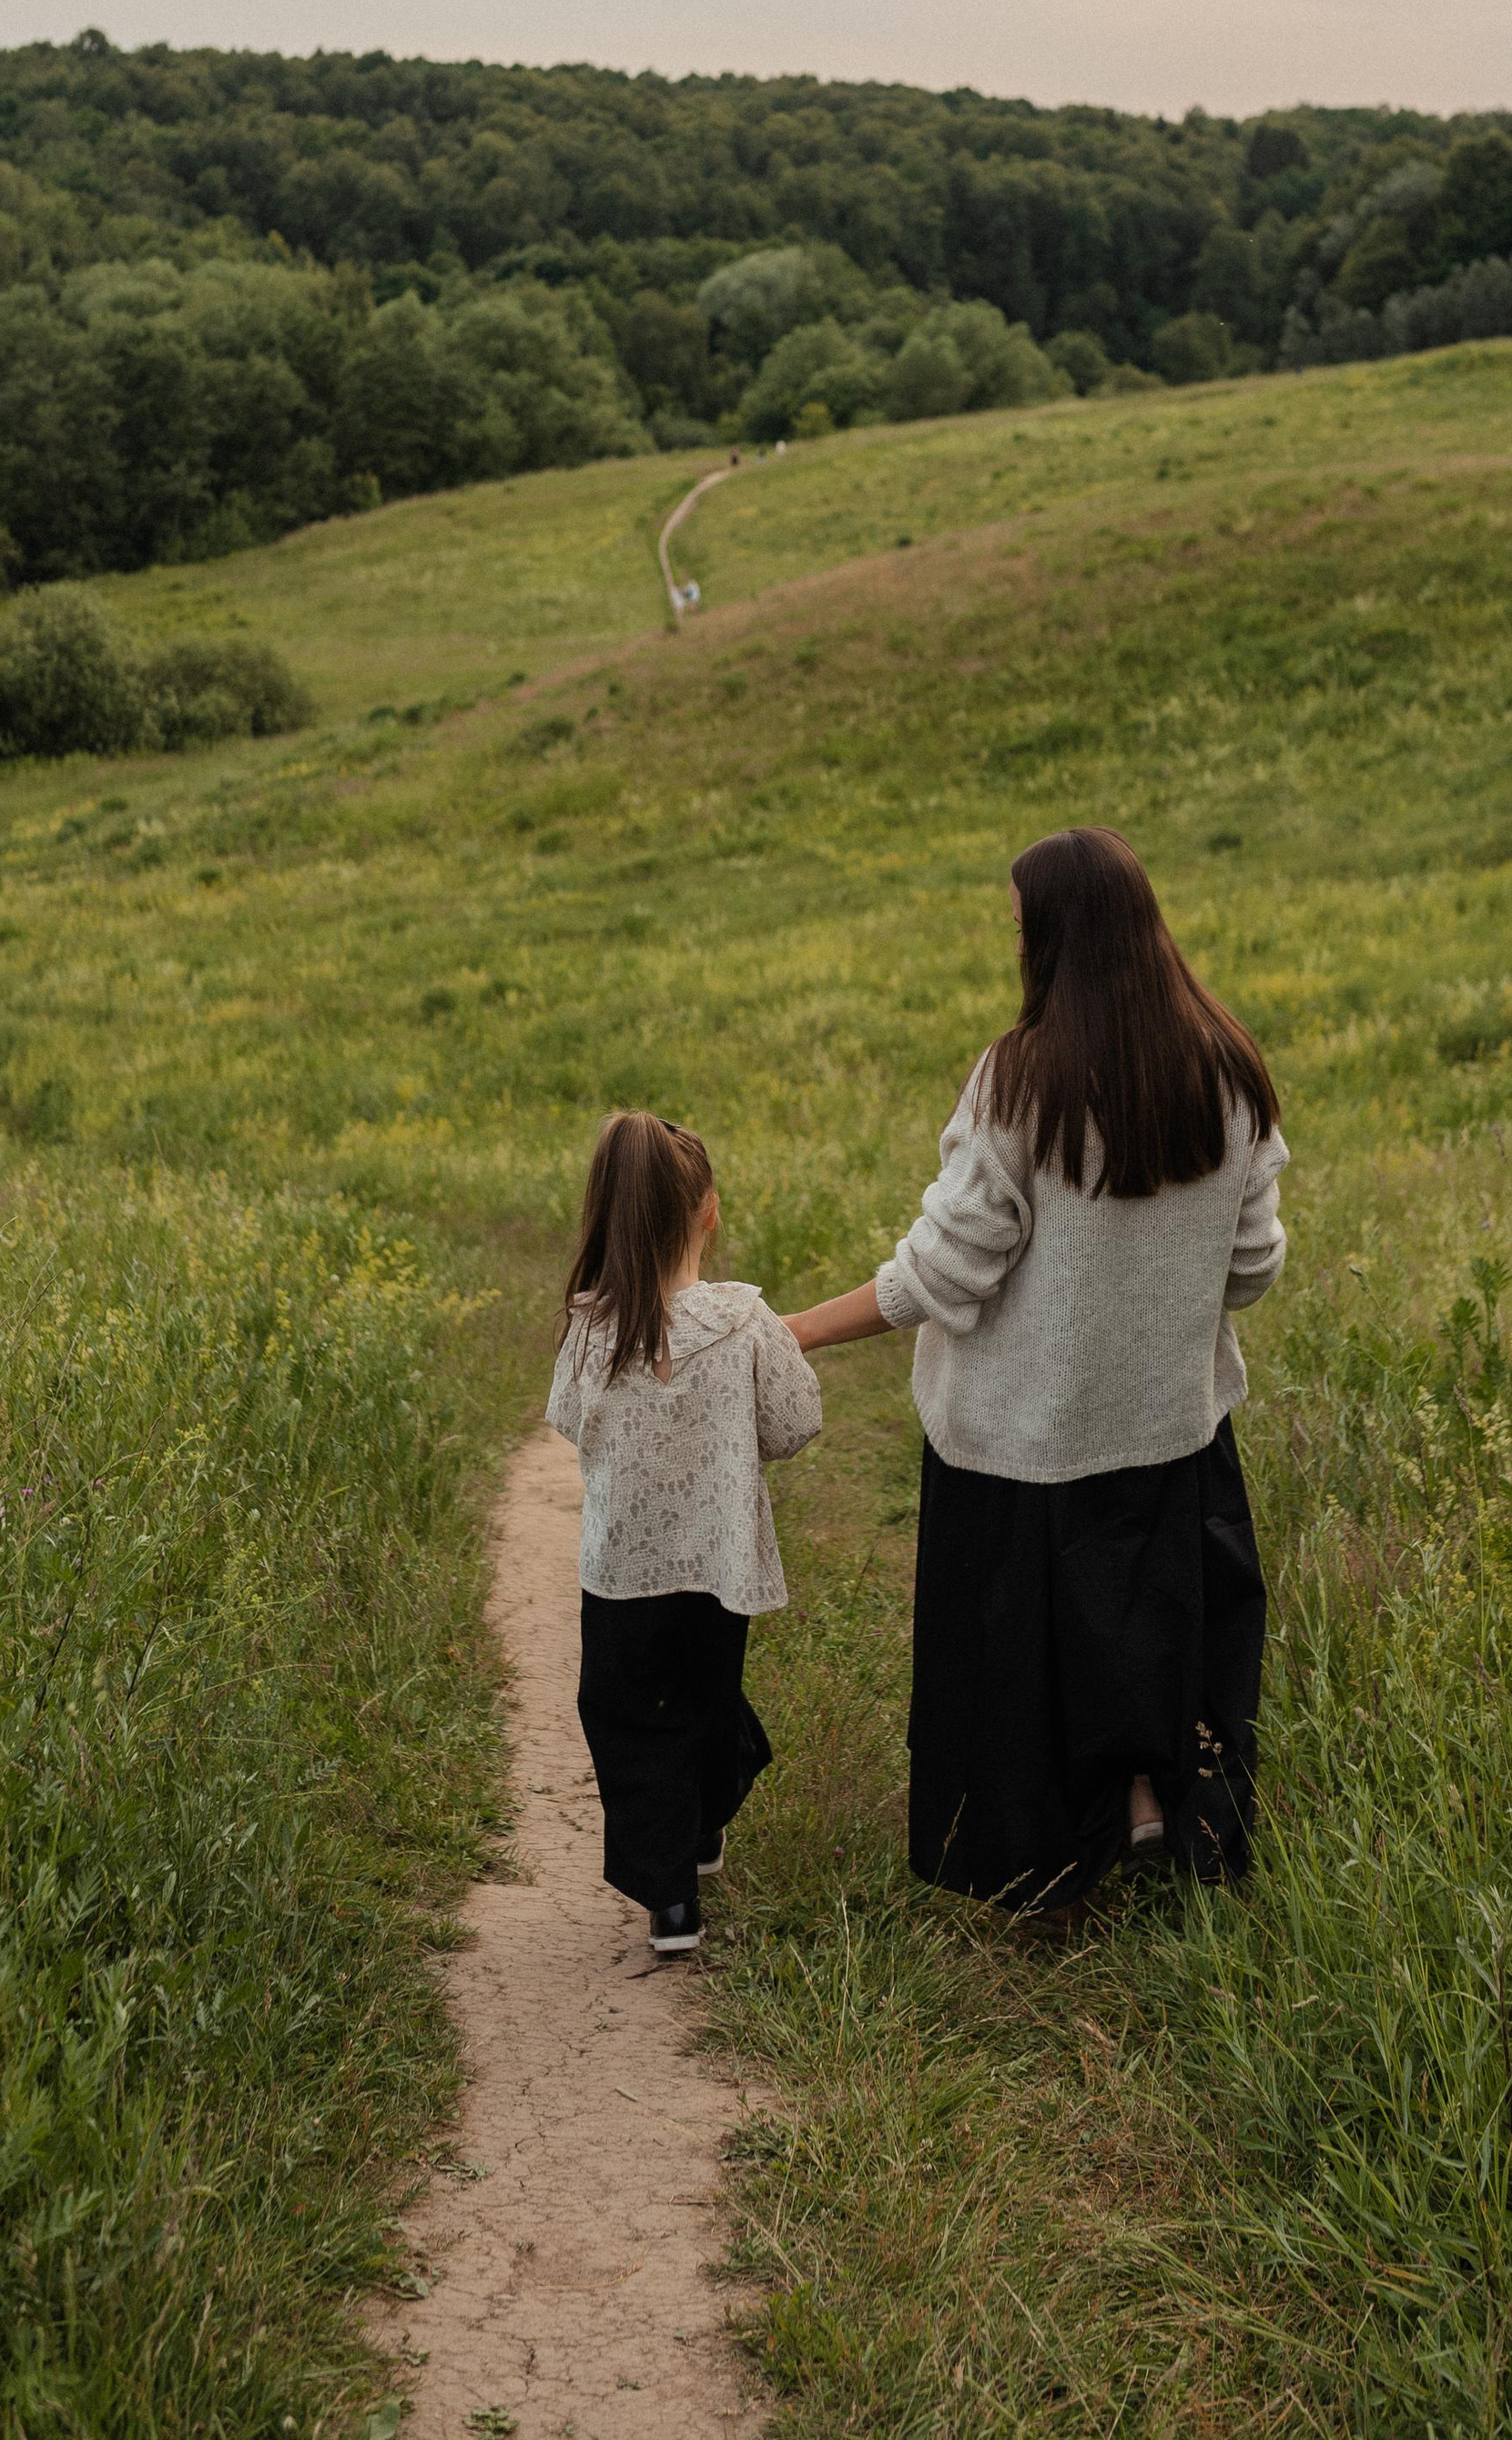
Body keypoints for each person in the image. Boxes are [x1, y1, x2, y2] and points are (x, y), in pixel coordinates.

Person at [786, 827, 1285, 1915]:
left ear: (1053, 936)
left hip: (1023, 1442)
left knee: (1025, 1667)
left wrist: (794, 1332)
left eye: (1016, 926)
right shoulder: (1230, 1067)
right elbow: (1250, 1269)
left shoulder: (1021, 1080)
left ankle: (1038, 1864)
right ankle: (1156, 1805)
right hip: (1172, 1430)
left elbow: (941, 1274)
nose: (1009, 943)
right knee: (1155, 1631)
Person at [547, 1110, 822, 1956]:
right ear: (709, 1211)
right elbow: (797, 1421)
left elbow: (566, 1422)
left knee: (625, 1714)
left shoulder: (591, 1326)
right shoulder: (744, 1319)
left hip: (621, 1572)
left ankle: (670, 1898)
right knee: (704, 1702)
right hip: (719, 1568)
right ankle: (697, 1828)